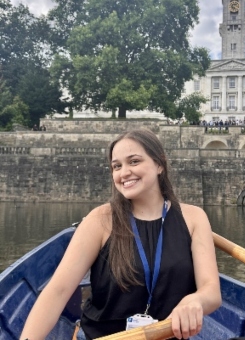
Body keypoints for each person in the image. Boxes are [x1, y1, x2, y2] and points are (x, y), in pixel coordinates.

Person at [20, 129, 222, 340]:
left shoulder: (194, 218)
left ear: (160, 164)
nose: (123, 172)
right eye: (117, 166)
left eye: (134, 162)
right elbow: (58, 291)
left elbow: (211, 291)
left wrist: (195, 301)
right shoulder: (99, 220)